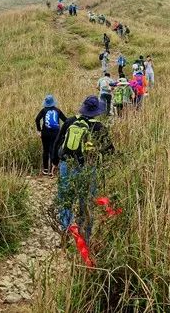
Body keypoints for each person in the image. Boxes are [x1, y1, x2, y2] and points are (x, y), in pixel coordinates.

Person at [54, 96, 114, 241]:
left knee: (66, 198)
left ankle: (66, 230)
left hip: (66, 165)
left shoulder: (69, 121)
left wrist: (56, 162)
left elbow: (57, 143)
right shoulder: (99, 127)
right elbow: (110, 150)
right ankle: (84, 234)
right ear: (96, 111)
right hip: (88, 167)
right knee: (86, 200)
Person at [34, 95, 67, 176]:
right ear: (53, 102)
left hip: (45, 133)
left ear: (45, 103)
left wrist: (39, 130)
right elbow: (66, 120)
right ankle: (53, 170)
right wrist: (64, 131)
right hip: (56, 133)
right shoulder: (58, 110)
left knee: (46, 150)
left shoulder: (44, 110)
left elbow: (37, 119)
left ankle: (45, 170)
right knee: (54, 149)